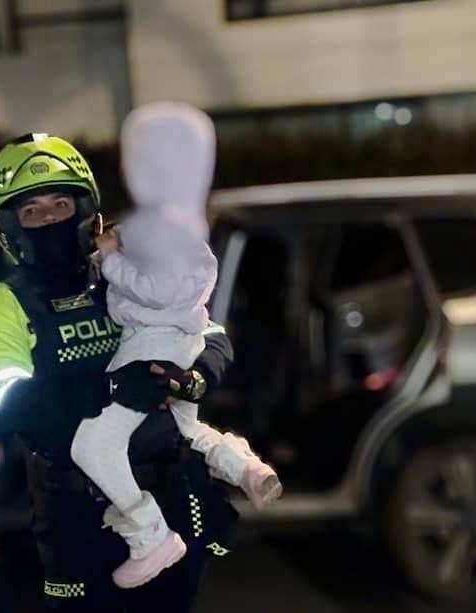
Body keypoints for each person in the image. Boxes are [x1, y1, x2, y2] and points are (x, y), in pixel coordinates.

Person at [0, 132, 239, 612]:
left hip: (172, 497)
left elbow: (208, 332)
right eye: (32, 211)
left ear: (87, 210)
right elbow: (6, 404)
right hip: (80, 519)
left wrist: (194, 379)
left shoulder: (124, 272)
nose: (49, 218)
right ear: (9, 227)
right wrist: (113, 389)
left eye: (61, 204)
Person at [69, 103, 281, 589]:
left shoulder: (159, 226)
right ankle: (243, 466)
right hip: (180, 342)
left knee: (93, 445)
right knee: (185, 430)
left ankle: (150, 537)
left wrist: (110, 259)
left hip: (151, 348)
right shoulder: (188, 223)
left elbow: (159, 292)